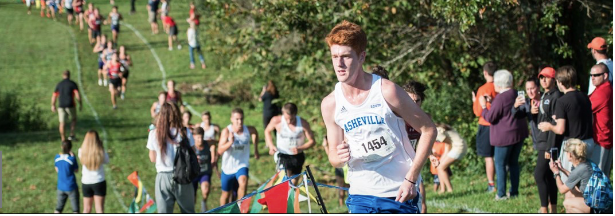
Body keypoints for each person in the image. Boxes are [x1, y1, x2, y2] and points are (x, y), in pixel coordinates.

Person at [320, 20, 436, 213]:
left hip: (398, 192)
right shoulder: (330, 104)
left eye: (346, 56)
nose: (339, 64)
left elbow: (428, 129)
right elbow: (333, 156)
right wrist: (337, 157)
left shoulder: (386, 91)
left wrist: (411, 178)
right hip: (360, 195)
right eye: (334, 56)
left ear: (361, 57)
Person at [538, 66, 595, 183]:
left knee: (571, 183)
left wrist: (549, 126)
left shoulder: (562, 101)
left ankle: (572, 201)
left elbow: (560, 130)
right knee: (585, 181)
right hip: (589, 143)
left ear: (559, 82)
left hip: (574, 147)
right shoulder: (584, 96)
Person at [479, 69, 529, 200]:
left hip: (504, 137)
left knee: (500, 164)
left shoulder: (500, 98)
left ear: (499, 84)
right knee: (513, 163)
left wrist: (484, 107)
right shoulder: (516, 93)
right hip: (518, 133)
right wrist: (492, 101)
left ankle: (501, 193)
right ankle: (514, 192)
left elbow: (490, 117)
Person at [147, 102, 196, 213]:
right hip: (182, 175)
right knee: (188, 211)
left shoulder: (154, 133)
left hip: (163, 177)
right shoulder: (184, 132)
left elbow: (152, 158)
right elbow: (193, 153)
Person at [530, 67, 563, 213]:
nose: (543, 80)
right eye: (541, 77)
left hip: (548, 142)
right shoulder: (545, 95)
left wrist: (551, 147)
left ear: (554, 79)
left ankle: (544, 209)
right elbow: (543, 119)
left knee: (539, 174)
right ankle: (553, 208)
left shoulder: (556, 96)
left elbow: (555, 123)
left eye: (547, 77)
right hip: (542, 139)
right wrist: (533, 113)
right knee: (548, 176)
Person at [264, 103, 315, 185]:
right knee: (285, 181)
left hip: (297, 156)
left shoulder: (303, 123)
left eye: (291, 119)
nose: (288, 121)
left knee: (293, 184)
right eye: (286, 118)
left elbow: (312, 141)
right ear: (283, 113)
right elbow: (267, 131)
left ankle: (289, 197)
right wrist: (271, 146)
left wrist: (300, 148)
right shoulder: (276, 120)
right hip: (282, 155)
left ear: (295, 114)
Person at [217, 108, 260, 205]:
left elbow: (255, 133)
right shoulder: (227, 131)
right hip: (228, 167)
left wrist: (256, 149)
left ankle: (240, 207)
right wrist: (230, 142)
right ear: (231, 119)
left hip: (242, 164)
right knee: (226, 194)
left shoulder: (248, 130)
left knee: (243, 181)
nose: (239, 122)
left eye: (241, 119)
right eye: (237, 119)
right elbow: (219, 150)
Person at [401, 80, 428, 213]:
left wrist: (432, 154)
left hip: (413, 163)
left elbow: (426, 140)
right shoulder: (396, 118)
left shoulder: (424, 119)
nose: (414, 104)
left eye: (417, 100)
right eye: (410, 100)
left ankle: (422, 206)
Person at [472, 61, 499, 193]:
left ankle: (491, 185)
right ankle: (502, 182)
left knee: (489, 157)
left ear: (485, 73)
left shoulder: (482, 89)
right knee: (499, 156)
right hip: (499, 125)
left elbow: (477, 112)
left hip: (486, 125)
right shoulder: (501, 87)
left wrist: (474, 102)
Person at [549, 139, 594, 213]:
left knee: (567, 202)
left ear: (569, 154)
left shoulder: (580, 168)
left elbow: (561, 190)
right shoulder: (585, 163)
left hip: (598, 207)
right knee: (569, 192)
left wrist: (556, 172)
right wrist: (562, 169)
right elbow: (574, 177)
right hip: (599, 201)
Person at [588, 64, 612, 177]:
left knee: (598, 180)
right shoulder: (606, 88)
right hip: (606, 140)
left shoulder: (603, 92)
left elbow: (585, 107)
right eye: (591, 75)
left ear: (605, 75)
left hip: (601, 140)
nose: (592, 77)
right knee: (603, 179)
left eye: (596, 75)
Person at [79, 130, 109, 213]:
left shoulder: (81, 151)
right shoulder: (100, 151)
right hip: (99, 181)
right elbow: (107, 160)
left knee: (86, 209)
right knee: (99, 209)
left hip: (86, 182)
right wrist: (101, 146)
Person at [433, 124, 467, 194]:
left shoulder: (436, 131)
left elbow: (448, 143)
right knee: (439, 167)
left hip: (458, 147)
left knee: (441, 168)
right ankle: (442, 189)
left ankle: (449, 189)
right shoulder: (440, 128)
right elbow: (448, 144)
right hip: (459, 146)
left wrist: (443, 157)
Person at [512, 77, 542, 150]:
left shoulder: (547, 99)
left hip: (549, 140)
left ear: (538, 88)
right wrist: (515, 106)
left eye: (532, 88)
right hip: (537, 142)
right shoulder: (527, 103)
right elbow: (516, 115)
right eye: (527, 89)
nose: (530, 92)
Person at [51, 70, 82, 141]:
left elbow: (54, 96)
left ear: (63, 75)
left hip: (61, 105)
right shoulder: (73, 84)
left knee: (62, 122)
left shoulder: (59, 84)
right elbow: (77, 95)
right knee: (73, 119)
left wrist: (53, 105)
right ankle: (71, 134)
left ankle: (63, 139)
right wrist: (80, 104)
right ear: (69, 75)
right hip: (70, 104)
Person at [192, 127, 215, 212]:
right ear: (194, 137)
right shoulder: (191, 147)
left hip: (205, 172)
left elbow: (215, 143)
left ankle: (204, 201)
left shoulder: (207, 144)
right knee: (192, 197)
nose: (200, 140)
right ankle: (192, 210)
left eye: (201, 137)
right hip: (193, 174)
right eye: (198, 137)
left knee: (205, 190)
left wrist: (213, 153)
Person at [322, 135, 349, 208]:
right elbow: (331, 156)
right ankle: (341, 205)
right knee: (342, 187)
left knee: (346, 187)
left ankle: (344, 205)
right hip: (340, 167)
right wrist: (325, 146)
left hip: (346, 167)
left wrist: (325, 146)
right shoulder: (335, 143)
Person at [55, 140, 80, 213]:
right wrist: (73, 157)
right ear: (70, 148)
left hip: (60, 187)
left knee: (58, 208)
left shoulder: (57, 157)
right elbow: (76, 170)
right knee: (75, 210)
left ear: (61, 147)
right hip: (71, 186)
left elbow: (57, 169)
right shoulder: (71, 159)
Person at [198, 111, 220, 177]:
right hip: (202, 147)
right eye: (205, 119)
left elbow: (220, 140)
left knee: (213, 158)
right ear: (202, 119)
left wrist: (213, 140)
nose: (207, 120)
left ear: (210, 118)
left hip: (211, 146)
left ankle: (215, 171)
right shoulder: (199, 126)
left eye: (208, 118)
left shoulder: (215, 128)